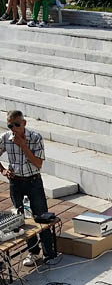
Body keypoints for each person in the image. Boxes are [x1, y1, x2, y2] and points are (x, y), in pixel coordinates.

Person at [0, 110, 56, 266]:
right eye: (10, 125)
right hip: (16, 182)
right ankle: (33, 252)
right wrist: (3, 170)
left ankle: (49, 253)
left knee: (41, 216)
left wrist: (23, 146)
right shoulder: (5, 138)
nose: (14, 128)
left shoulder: (35, 138)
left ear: (24, 123)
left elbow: (38, 163)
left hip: (33, 181)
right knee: (22, 220)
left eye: (17, 125)